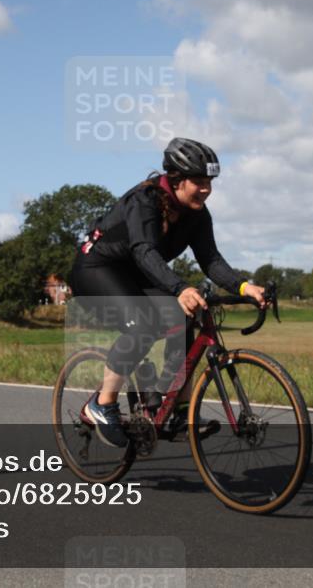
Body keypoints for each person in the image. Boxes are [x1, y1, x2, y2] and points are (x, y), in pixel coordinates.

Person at [68, 137, 267, 448]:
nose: (206, 189)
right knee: (142, 325)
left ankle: (175, 407)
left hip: (137, 273)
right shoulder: (144, 201)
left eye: (209, 182)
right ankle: (102, 404)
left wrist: (244, 286)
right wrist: (180, 287)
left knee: (188, 317)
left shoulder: (197, 214)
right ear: (176, 180)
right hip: (97, 269)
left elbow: (210, 259)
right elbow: (145, 251)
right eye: (198, 182)